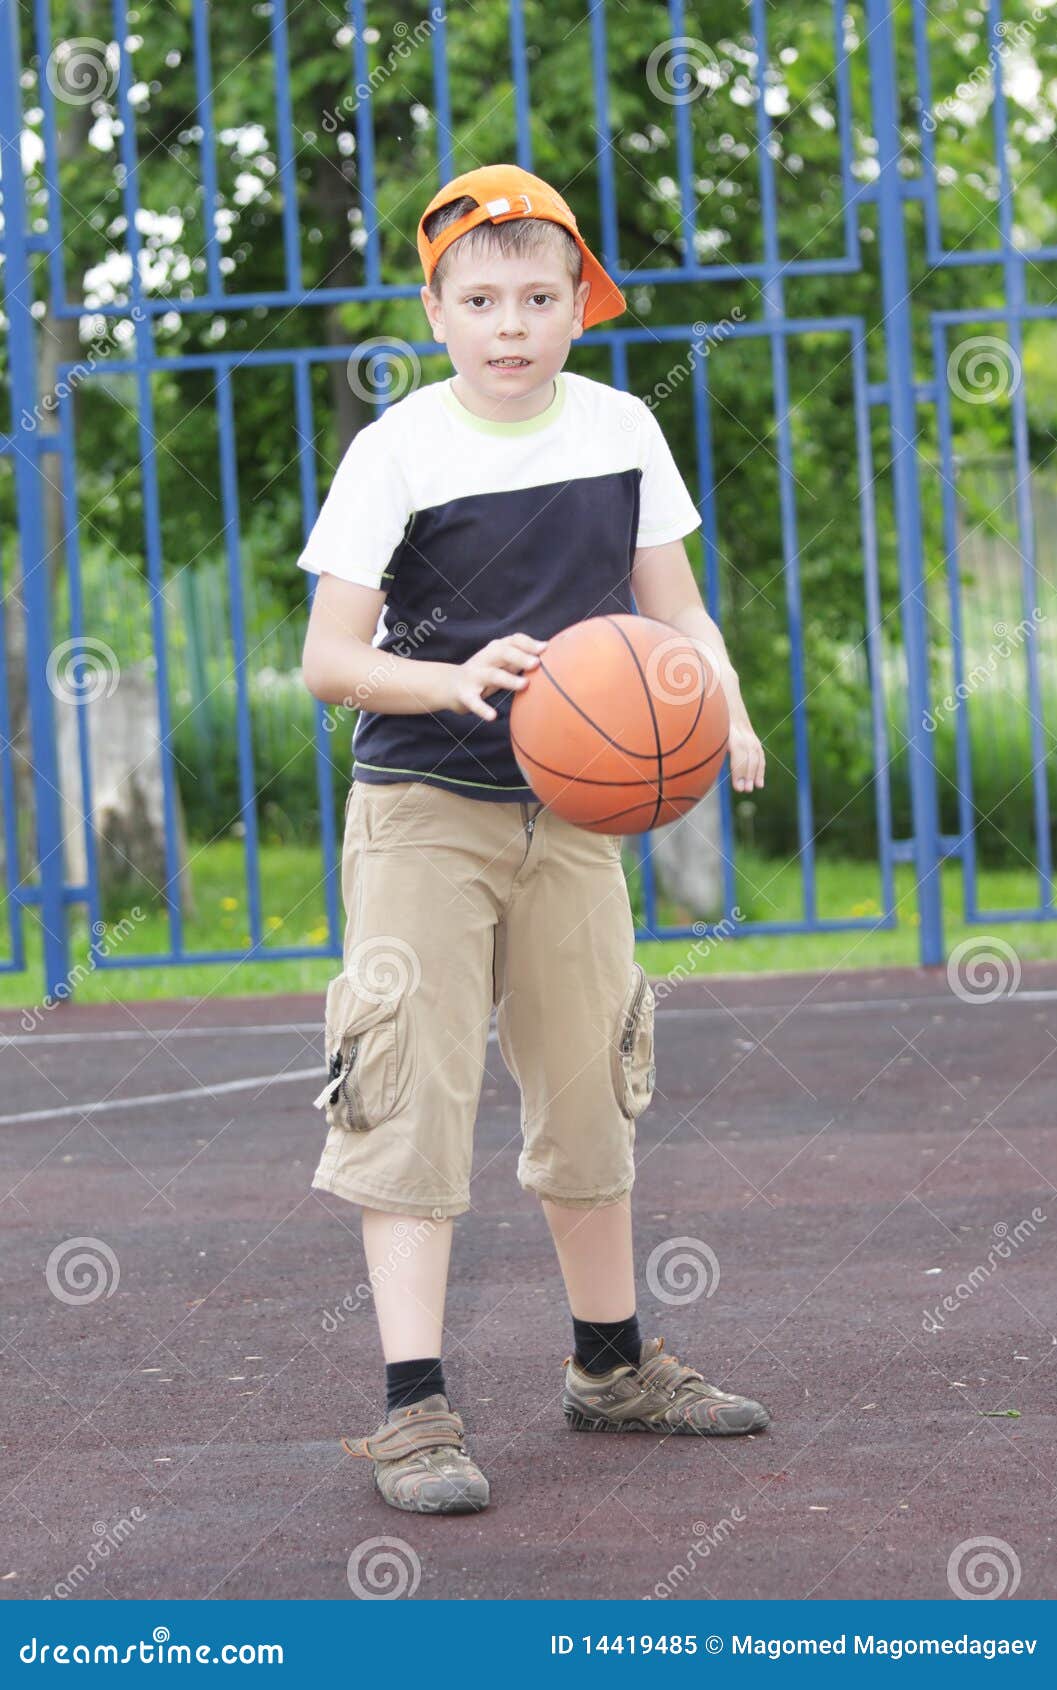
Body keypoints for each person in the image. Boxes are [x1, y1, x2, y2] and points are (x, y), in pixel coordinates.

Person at [298, 164, 770, 1516]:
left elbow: (674, 611)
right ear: (437, 312)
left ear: (579, 309)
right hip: (422, 808)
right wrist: (450, 678)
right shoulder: (397, 449)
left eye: (538, 298)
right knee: (407, 1090)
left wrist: (721, 701)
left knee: (591, 1079)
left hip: (573, 813)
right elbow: (329, 659)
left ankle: (610, 1366)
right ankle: (413, 1408)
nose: (510, 323)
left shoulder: (622, 427)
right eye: (481, 298)